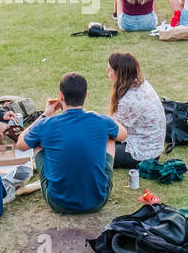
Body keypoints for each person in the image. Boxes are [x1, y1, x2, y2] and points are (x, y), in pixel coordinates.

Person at [15, 72, 124, 215]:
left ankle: (52, 182)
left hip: (58, 203)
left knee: (37, 141)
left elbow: (21, 144)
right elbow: (123, 134)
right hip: (98, 201)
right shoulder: (100, 121)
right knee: (111, 136)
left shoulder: (46, 124)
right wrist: (98, 116)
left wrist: (45, 115)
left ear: (61, 96)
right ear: (86, 95)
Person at [106, 53, 166, 169]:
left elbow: (114, 131)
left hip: (143, 152)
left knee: (96, 153)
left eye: (109, 70)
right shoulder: (140, 83)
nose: (107, 72)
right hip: (150, 143)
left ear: (119, 74)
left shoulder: (129, 99)